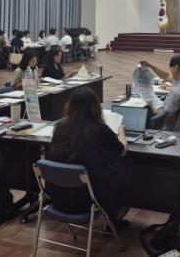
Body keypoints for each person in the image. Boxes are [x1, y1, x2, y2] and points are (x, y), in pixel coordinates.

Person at [46, 89, 129, 228]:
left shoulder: (60, 127)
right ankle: (114, 217)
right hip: (87, 201)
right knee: (125, 170)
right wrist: (121, 133)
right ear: (95, 108)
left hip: (56, 197)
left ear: (70, 107)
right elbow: (122, 151)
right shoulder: (100, 129)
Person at [141, 56, 180, 130]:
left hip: (166, 127)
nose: (170, 70)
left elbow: (167, 118)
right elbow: (166, 76)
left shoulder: (175, 93)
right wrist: (150, 66)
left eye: (171, 67)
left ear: (176, 68)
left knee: (143, 111)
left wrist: (154, 110)